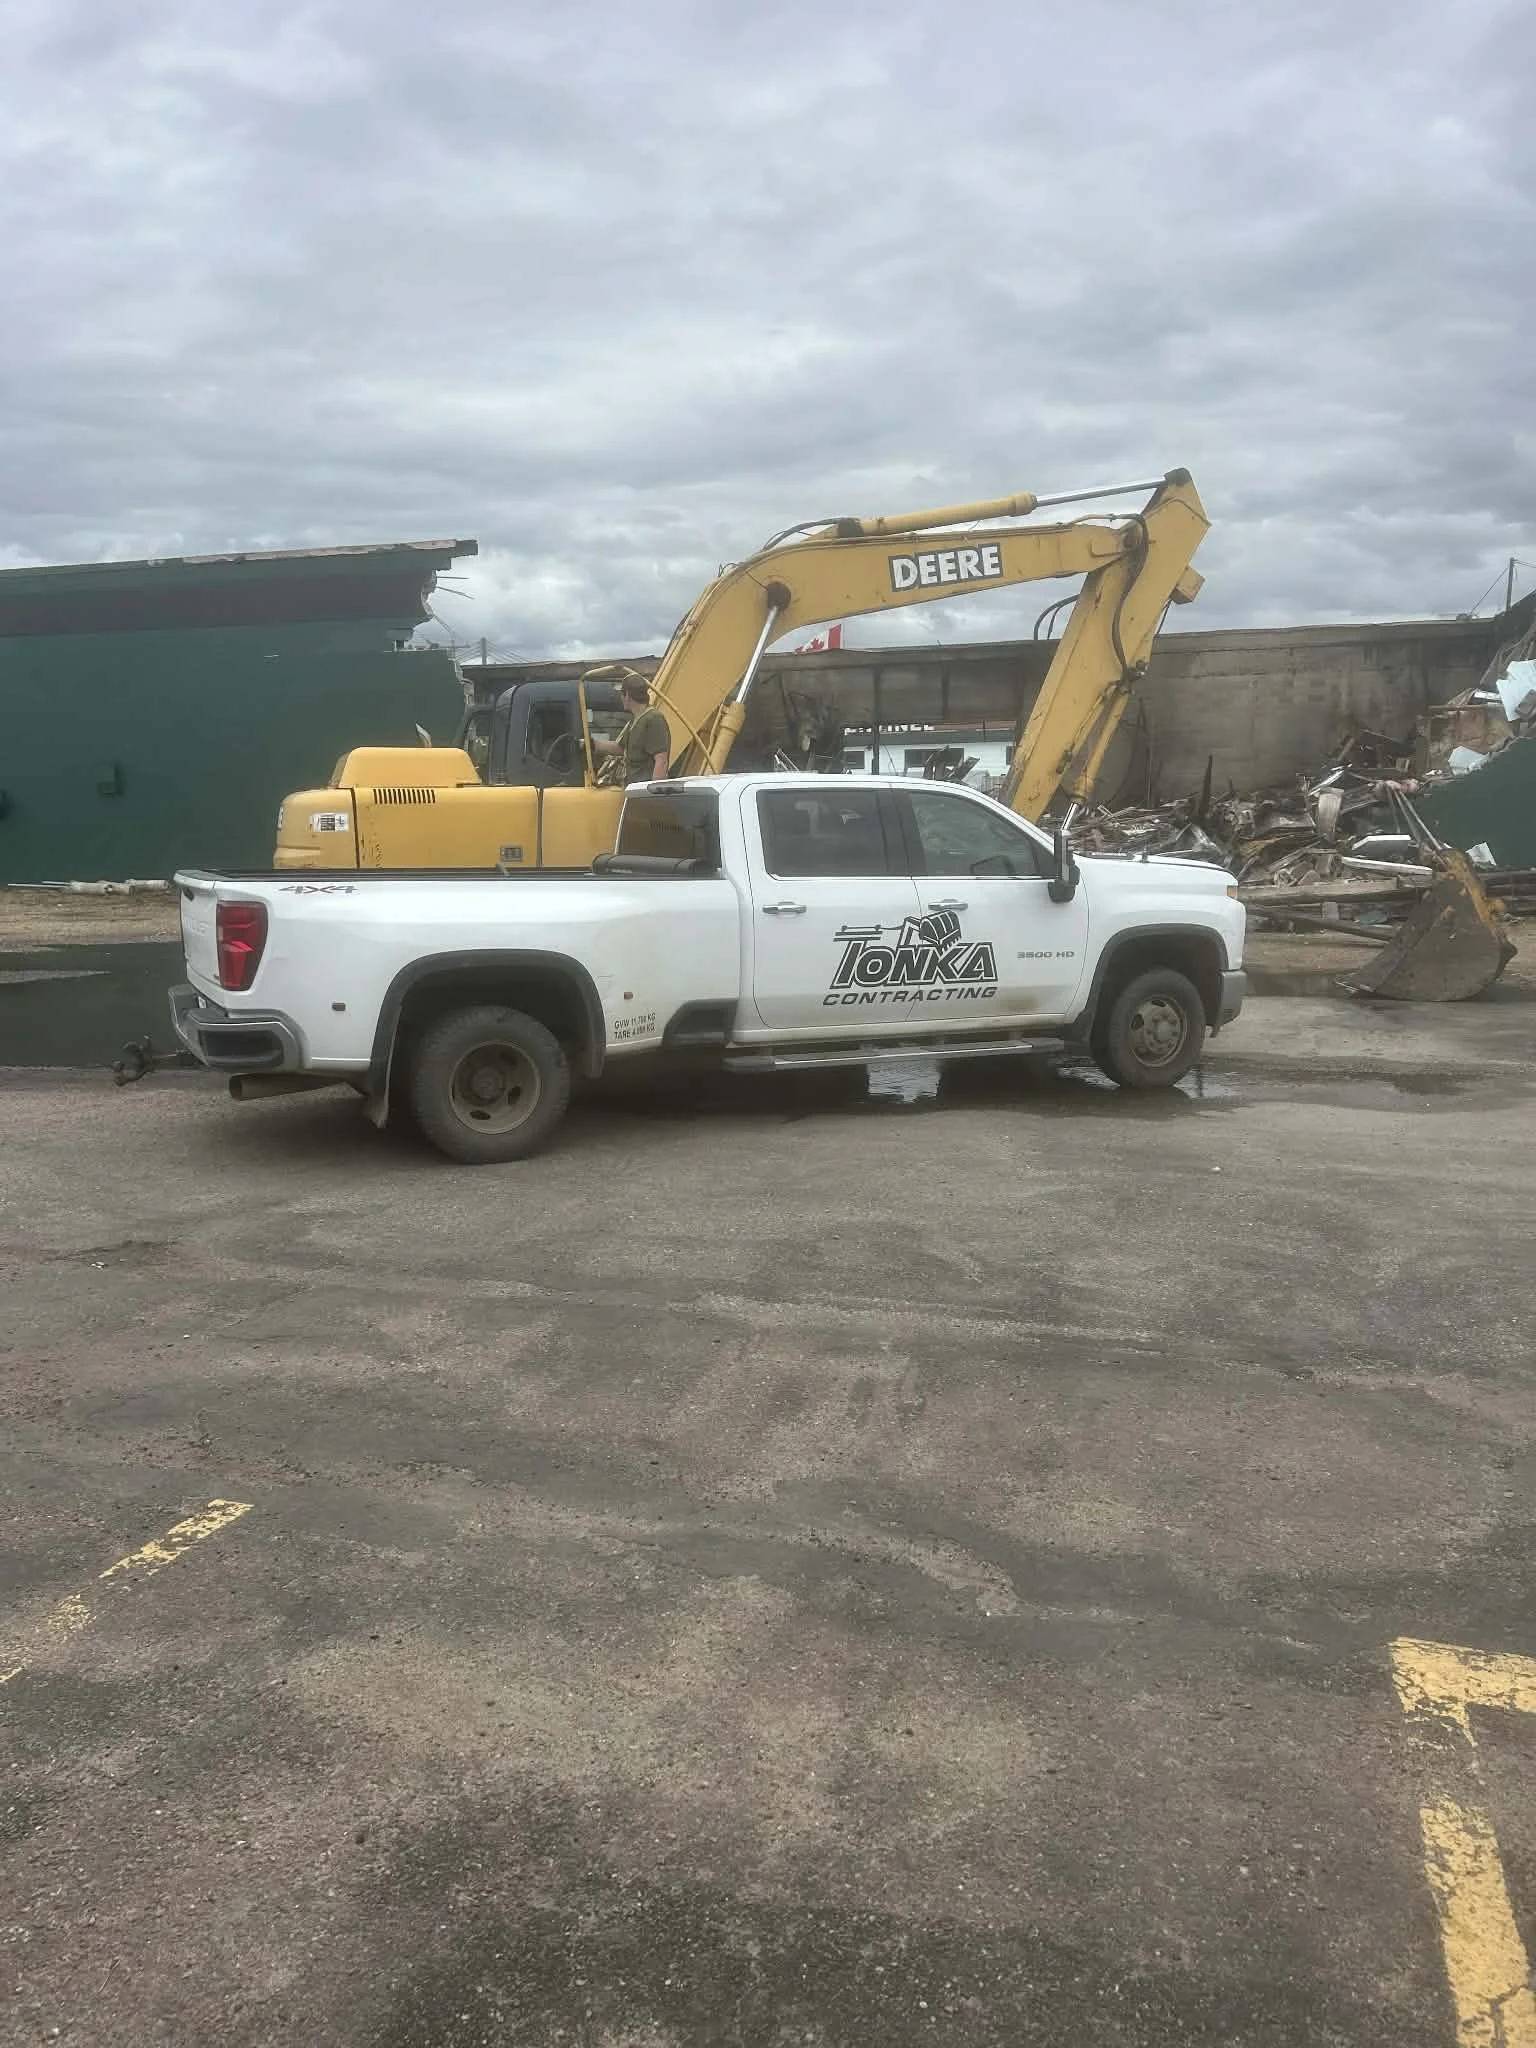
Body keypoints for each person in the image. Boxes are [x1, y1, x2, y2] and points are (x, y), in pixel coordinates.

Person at [593, 678, 671, 784]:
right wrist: (591, 744)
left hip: (643, 791)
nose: (621, 698)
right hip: (633, 788)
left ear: (628, 696)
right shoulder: (634, 720)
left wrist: (653, 794)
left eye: (622, 694)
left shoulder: (654, 719)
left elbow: (661, 760)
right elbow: (620, 748)